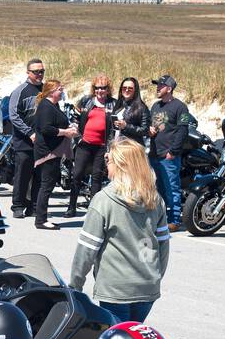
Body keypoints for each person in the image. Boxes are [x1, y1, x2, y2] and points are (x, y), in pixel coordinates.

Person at [68, 139, 171, 323]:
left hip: (115, 290)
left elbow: (87, 249)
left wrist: (75, 286)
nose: (107, 165)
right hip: (147, 287)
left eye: (109, 161)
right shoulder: (155, 200)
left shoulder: (103, 200)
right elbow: (163, 244)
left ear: (122, 165)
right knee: (134, 338)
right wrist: (154, 276)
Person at [147, 74, 193, 229]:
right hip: (154, 154)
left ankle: (174, 220)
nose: (158, 88)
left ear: (169, 88)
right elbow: (152, 125)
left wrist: (173, 151)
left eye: (160, 86)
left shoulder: (180, 107)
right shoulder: (155, 106)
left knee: (172, 188)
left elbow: (183, 131)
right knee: (157, 189)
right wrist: (150, 130)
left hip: (169, 156)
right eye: (157, 86)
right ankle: (161, 218)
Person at [32, 79, 78, 229]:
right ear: (52, 91)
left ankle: (41, 217)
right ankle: (41, 220)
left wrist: (70, 127)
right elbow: (46, 129)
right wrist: (66, 132)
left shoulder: (53, 105)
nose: (62, 91)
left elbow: (57, 123)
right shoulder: (46, 106)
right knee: (46, 185)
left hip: (54, 150)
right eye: (60, 89)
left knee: (48, 184)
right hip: (47, 151)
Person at [71, 75, 117, 215]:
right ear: (94, 89)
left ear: (108, 89)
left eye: (103, 88)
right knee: (77, 175)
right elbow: (74, 118)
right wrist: (78, 137)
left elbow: (116, 125)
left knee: (97, 177)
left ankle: (93, 210)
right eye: (97, 88)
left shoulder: (114, 104)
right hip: (84, 144)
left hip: (102, 146)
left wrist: (110, 145)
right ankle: (71, 207)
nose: (100, 91)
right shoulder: (86, 101)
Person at [7, 59, 45, 218]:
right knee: (22, 175)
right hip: (24, 141)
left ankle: (34, 206)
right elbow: (14, 115)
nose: (39, 74)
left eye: (42, 71)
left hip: (43, 142)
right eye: (36, 71)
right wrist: (29, 133)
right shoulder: (20, 91)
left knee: (39, 175)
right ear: (28, 73)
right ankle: (17, 205)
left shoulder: (46, 90)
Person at [114, 77, 151, 153]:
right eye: (124, 88)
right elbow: (112, 130)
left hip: (132, 148)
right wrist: (109, 148)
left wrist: (126, 126)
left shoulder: (142, 107)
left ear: (135, 90)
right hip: (117, 146)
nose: (127, 90)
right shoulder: (118, 105)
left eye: (130, 88)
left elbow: (145, 130)